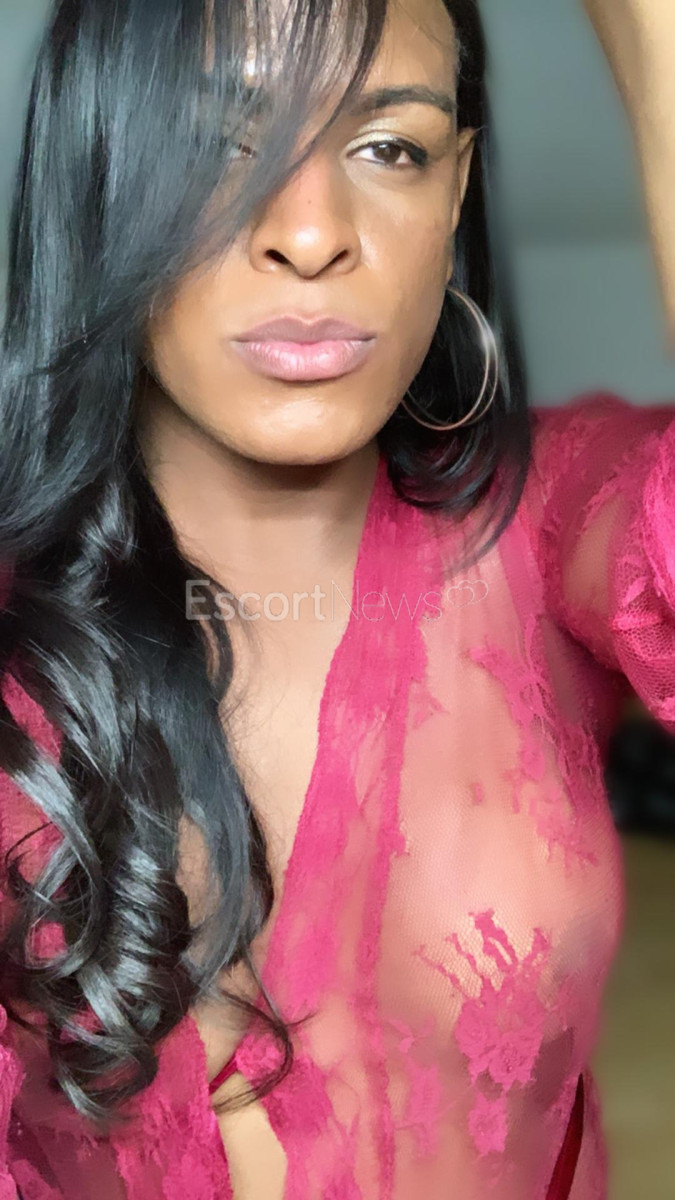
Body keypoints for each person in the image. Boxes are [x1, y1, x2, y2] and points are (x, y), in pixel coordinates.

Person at [0, 0, 672, 1196]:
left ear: (455, 190)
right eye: (216, 144)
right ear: (102, 171)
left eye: (389, 147)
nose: (310, 234)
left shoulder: (552, 523)